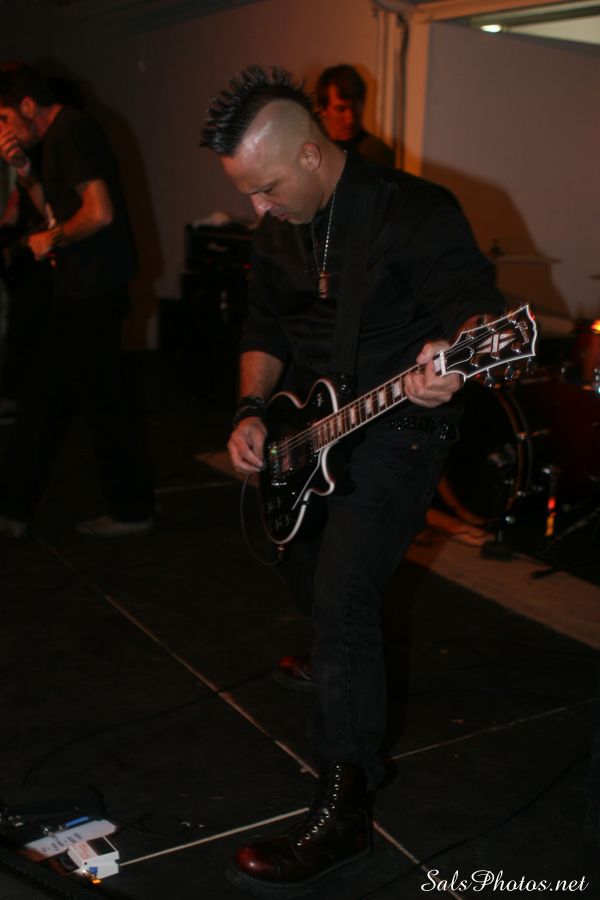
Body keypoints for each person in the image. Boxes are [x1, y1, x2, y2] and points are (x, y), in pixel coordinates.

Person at [201, 65, 504, 896]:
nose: (257, 208)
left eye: (265, 188)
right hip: (312, 424)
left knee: (345, 593)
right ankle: (342, 663)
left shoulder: (414, 211)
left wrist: (457, 353)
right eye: (246, 192)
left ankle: (345, 808)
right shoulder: (278, 231)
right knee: (300, 558)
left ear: (309, 154)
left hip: (403, 422)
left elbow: (477, 309)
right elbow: (265, 327)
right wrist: (252, 409)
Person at [0, 61, 154, 538]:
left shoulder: (71, 129)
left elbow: (100, 212)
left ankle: (12, 511)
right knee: (98, 403)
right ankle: (130, 509)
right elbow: (55, 209)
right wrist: (24, 169)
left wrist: (52, 240)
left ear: (28, 105)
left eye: (3, 117)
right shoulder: (55, 140)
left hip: (91, 290)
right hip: (85, 288)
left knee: (42, 400)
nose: (2, 129)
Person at [316, 63, 395, 167]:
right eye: (340, 109)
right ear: (323, 110)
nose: (350, 120)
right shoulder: (314, 148)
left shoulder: (373, 151)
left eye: (355, 108)